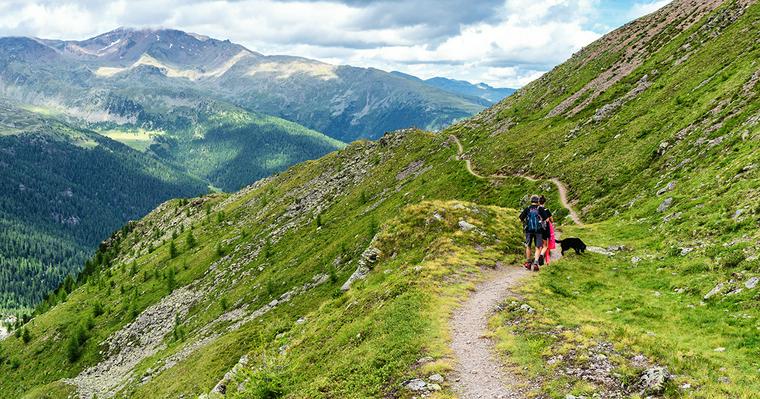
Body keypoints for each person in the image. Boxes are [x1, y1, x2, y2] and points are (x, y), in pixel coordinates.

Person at [519, 195, 550, 271]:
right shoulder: (540, 209)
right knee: (538, 247)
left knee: (528, 246)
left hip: (528, 231)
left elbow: (520, 218)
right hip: (538, 231)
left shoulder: (527, 209)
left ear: (531, 201)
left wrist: (525, 223)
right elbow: (547, 220)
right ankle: (536, 263)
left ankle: (529, 263)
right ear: (538, 201)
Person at [539, 195, 556, 264]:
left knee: (539, 245)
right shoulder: (546, 210)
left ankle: (537, 258)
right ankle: (545, 259)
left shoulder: (536, 210)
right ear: (544, 202)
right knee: (546, 245)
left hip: (537, 229)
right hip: (546, 229)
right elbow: (552, 220)